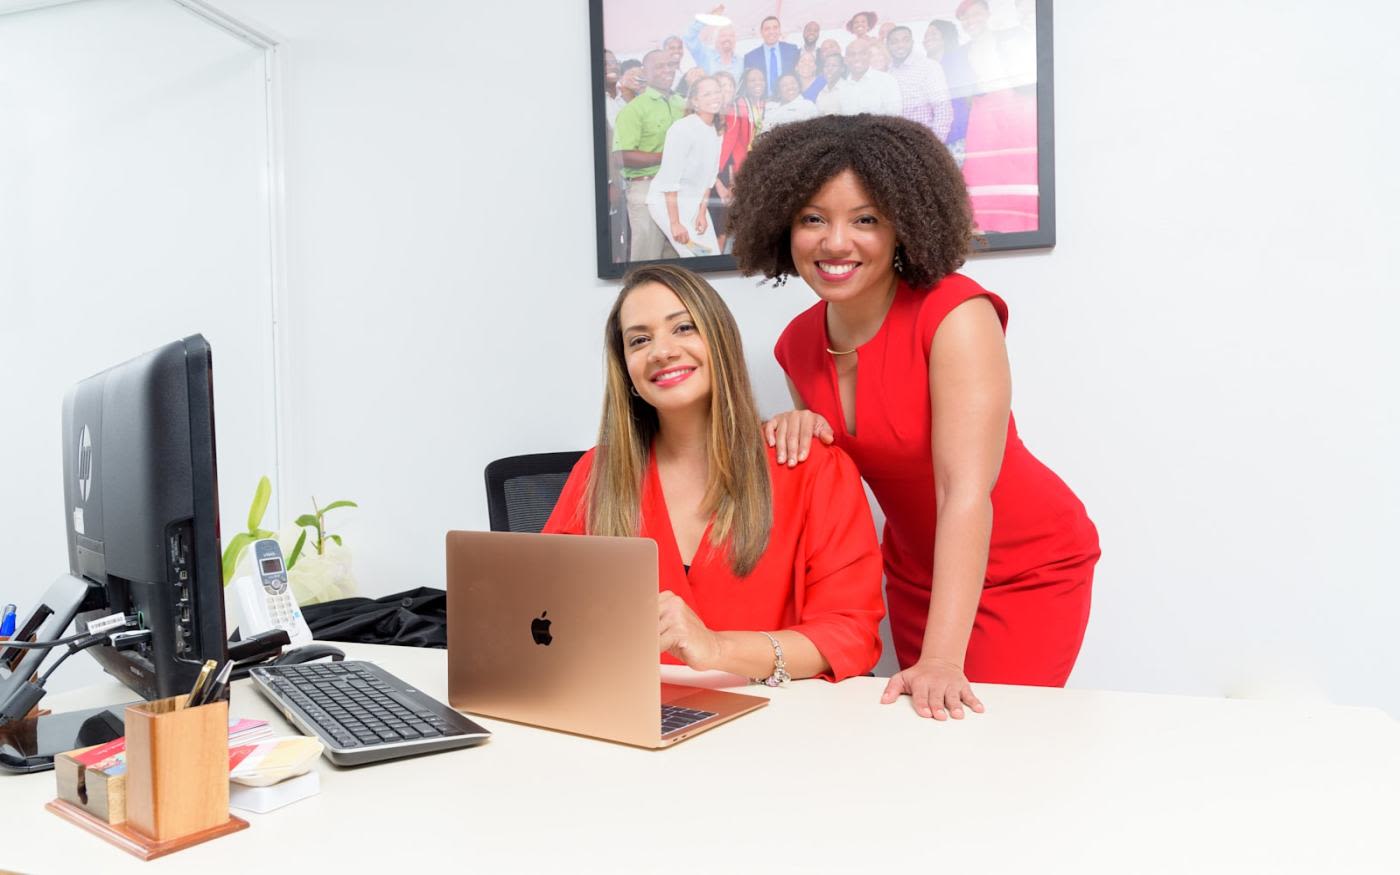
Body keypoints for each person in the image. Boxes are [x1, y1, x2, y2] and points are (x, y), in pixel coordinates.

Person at [726, 114, 1099, 719]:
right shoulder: (795, 345)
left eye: (865, 219)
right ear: (783, 226)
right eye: (813, 218)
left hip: (1025, 566)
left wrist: (943, 659)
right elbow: (837, 474)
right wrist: (801, 429)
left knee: (985, 739)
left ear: (904, 225)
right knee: (918, 748)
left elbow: (964, 492)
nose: (836, 242)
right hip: (914, 573)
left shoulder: (954, 313)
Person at [542, 264, 885, 684]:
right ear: (627, 371)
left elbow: (850, 635)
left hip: (773, 726)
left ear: (720, 342)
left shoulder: (810, 466)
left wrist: (716, 649)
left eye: (683, 328)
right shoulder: (597, 473)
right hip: (633, 720)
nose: (661, 351)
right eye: (639, 340)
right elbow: (546, 612)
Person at [958, 0, 1040, 231]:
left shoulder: (1008, 37)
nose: (971, 20)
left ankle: (1022, 224)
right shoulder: (965, 50)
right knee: (981, 172)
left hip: (1014, 107)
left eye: (975, 14)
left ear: (986, 13)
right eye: (965, 17)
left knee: (1019, 168)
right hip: (983, 112)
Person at [613, 50, 685, 261]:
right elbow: (621, 156)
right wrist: (667, 157)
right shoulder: (634, 109)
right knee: (647, 261)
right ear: (645, 72)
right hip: (646, 188)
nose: (667, 70)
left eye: (670, 65)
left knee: (678, 261)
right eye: (660, 66)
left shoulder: (682, 103)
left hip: (679, 190)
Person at [647, 77, 724, 257]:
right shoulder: (682, 128)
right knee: (694, 256)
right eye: (707, 93)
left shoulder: (716, 131)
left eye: (717, 91)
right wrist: (675, 223)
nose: (715, 97)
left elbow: (709, 179)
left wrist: (702, 213)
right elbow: (669, 180)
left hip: (695, 205)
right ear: (695, 101)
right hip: (667, 204)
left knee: (712, 255)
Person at [887, 25, 952, 142]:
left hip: (922, 143)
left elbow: (943, 108)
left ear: (912, 43)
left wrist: (934, 145)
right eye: (894, 42)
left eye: (905, 40)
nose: (900, 45)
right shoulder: (888, 72)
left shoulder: (928, 66)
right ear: (888, 46)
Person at [924, 19, 974, 163]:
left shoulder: (958, 61)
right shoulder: (924, 67)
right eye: (926, 35)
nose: (928, 37)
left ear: (945, 36)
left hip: (956, 135)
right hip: (931, 137)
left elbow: (967, 97)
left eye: (933, 33)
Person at [717, 67, 765, 186]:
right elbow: (730, 143)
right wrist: (719, 173)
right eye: (752, 80)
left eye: (761, 79)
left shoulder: (767, 105)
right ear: (745, 84)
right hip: (733, 166)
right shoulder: (737, 107)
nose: (757, 83)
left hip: (756, 163)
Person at [838, 40, 900, 116]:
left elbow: (894, 117)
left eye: (862, 54)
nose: (857, 58)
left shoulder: (887, 81)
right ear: (845, 60)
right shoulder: (841, 88)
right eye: (852, 55)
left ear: (869, 57)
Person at [683, 5, 744, 82]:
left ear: (735, 40)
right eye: (723, 35)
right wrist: (707, 18)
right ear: (716, 40)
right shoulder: (705, 55)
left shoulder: (741, 62)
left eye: (731, 36)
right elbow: (689, 37)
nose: (727, 38)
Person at [743, 15, 799, 98]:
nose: (771, 32)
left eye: (775, 28)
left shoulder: (792, 50)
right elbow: (747, 85)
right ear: (761, 32)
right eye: (767, 29)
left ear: (779, 30)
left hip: (789, 100)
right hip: (763, 102)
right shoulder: (750, 57)